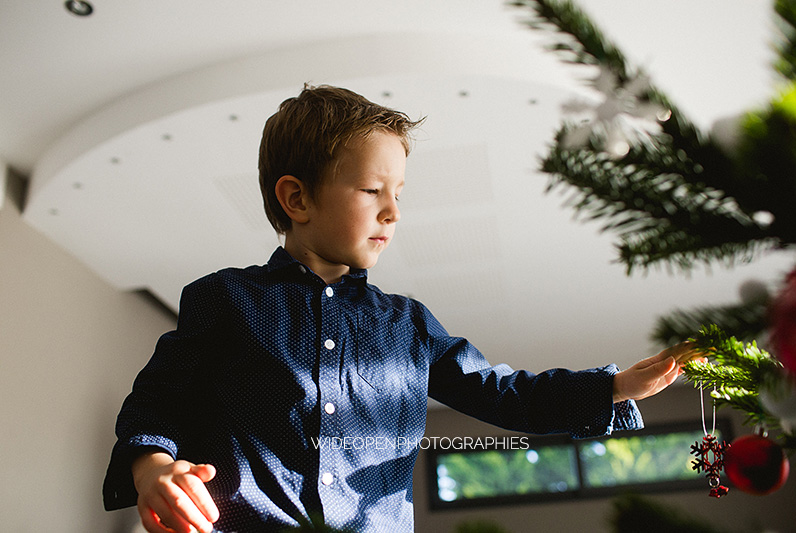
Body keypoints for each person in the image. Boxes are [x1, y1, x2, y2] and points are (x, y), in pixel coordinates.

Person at [103, 84, 698, 533]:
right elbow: (158, 400)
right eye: (371, 191)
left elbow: (502, 392)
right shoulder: (224, 300)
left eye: (399, 195)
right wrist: (153, 468)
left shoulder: (409, 326)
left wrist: (613, 388)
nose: (393, 212)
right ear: (297, 197)